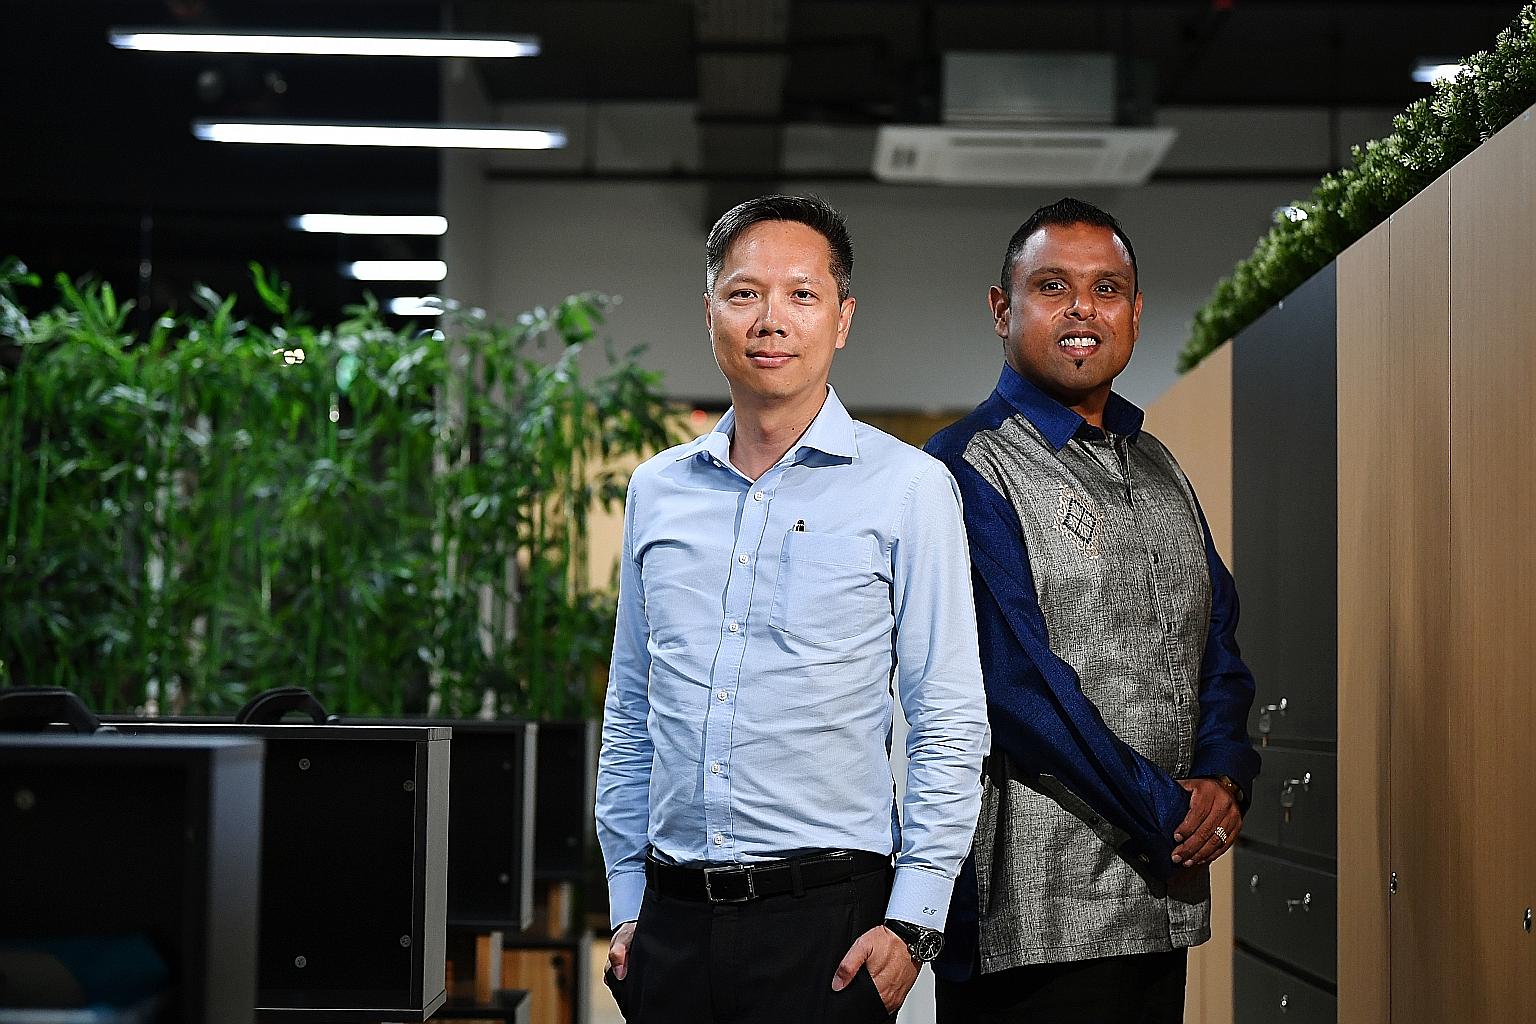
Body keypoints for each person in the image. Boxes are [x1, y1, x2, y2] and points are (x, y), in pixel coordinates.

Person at [596, 194, 990, 1024]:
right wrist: (627, 897)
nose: (770, 318)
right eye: (744, 294)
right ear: (710, 313)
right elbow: (631, 709)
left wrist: (914, 922)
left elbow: (948, 716)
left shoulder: (909, 489)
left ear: (842, 319)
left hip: (828, 928)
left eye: (801, 295)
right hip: (670, 926)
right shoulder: (657, 491)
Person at [923, 197, 1262, 1023]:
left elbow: (1215, 637)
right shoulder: (966, 468)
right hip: (1033, 919)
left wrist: (1225, 775)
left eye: (1107, 288)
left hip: (1157, 906)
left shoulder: (1159, 467)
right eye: (1052, 286)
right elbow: (1017, 690)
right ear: (1003, 309)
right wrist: (1173, 811)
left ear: (1136, 315)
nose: (1082, 308)